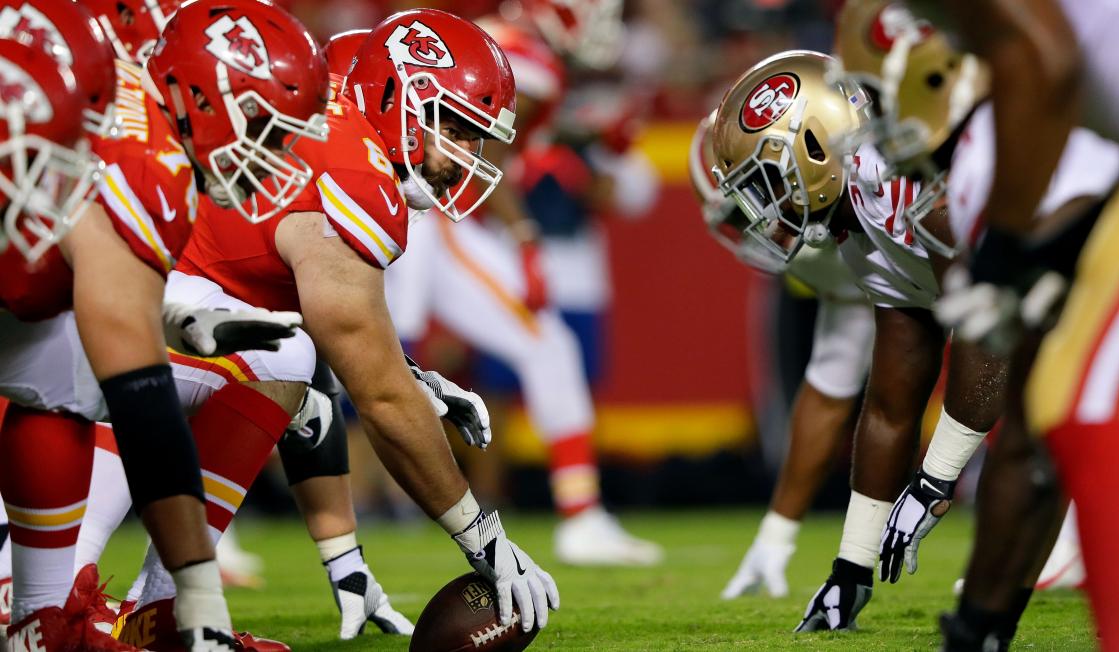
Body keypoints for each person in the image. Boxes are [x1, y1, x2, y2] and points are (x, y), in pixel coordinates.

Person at [116, 9, 558, 646]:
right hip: (98, 316)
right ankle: (52, 600)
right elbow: (376, 397)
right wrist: (482, 537)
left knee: (283, 357)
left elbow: (343, 357)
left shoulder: (334, 134)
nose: (465, 158)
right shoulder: (356, 178)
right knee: (279, 356)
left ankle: (160, 612)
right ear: (394, 99)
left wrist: (407, 375)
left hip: (140, 300)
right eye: (456, 129)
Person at [0, 0, 329, 648]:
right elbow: (145, 410)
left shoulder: (135, 150)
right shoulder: (138, 165)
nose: (278, 154)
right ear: (202, 100)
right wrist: (201, 597)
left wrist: (171, 312)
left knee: (70, 377)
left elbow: (117, 341)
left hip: (21, 300)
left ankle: (38, 619)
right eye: (266, 125)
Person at [710, 48, 1013, 632]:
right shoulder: (859, 210)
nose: (770, 208)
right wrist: (852, 567)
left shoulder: (917, 171)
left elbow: (990, 335)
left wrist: (933, 482)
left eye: (771, 180)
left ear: (819, 146)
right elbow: (892, 401)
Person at [897, 0, 1119, 648]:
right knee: (1069, 402)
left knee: (1093, 404)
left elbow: (1042, 55)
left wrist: (1005, 253)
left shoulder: (1000, 138)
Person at [373, 1, 662, 566]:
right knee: (371, 357)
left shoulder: (504, 43)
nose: (600, 23)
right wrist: (525, 236)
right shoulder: (526, 61)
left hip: (416, 209)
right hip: (424, 213)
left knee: (539, 347)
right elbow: (474, 154)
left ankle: (580, 516)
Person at [689, 111, 875, 599]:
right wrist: (775, 537)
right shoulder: (841, 251)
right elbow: (830, 386)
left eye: (759, 198)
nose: (760, 227)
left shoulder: (902, 197)